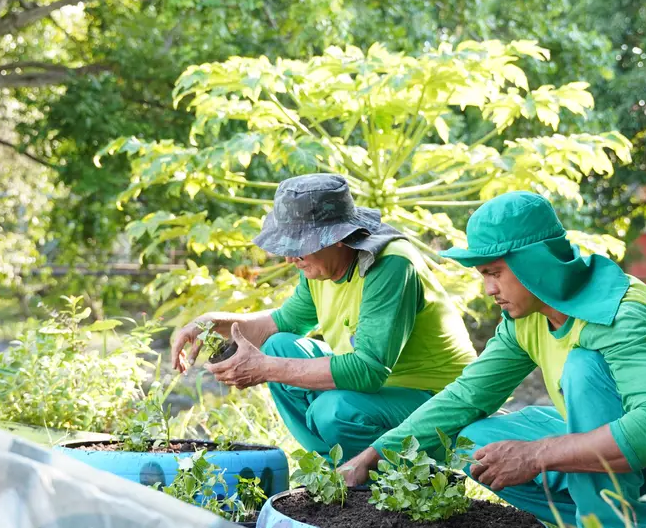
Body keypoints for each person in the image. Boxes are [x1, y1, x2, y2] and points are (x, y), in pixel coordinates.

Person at [341, 191, 646, 527]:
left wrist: (537, 455)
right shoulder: (526, 318)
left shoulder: (622, 313)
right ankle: (587, 516)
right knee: (474, 441)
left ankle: (610, 521)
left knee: (584, 366)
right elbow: (465, 396)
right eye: (482, 275)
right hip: (644, 461)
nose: (488, 289)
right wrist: (372, 456)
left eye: (495, 273)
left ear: (534, 263)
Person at [171, 173, 476, 460]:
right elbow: (280, 323)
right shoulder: (321, 268)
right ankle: (336, 469)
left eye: (299, 248)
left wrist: (265, 369)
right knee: (279, 345)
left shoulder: (390, 265)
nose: (291, 258)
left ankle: (397, 481)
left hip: (438, 402)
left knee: (334, 410)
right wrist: (210, 323)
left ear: (338, 238)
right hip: (381, 396)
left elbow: (368, 371)